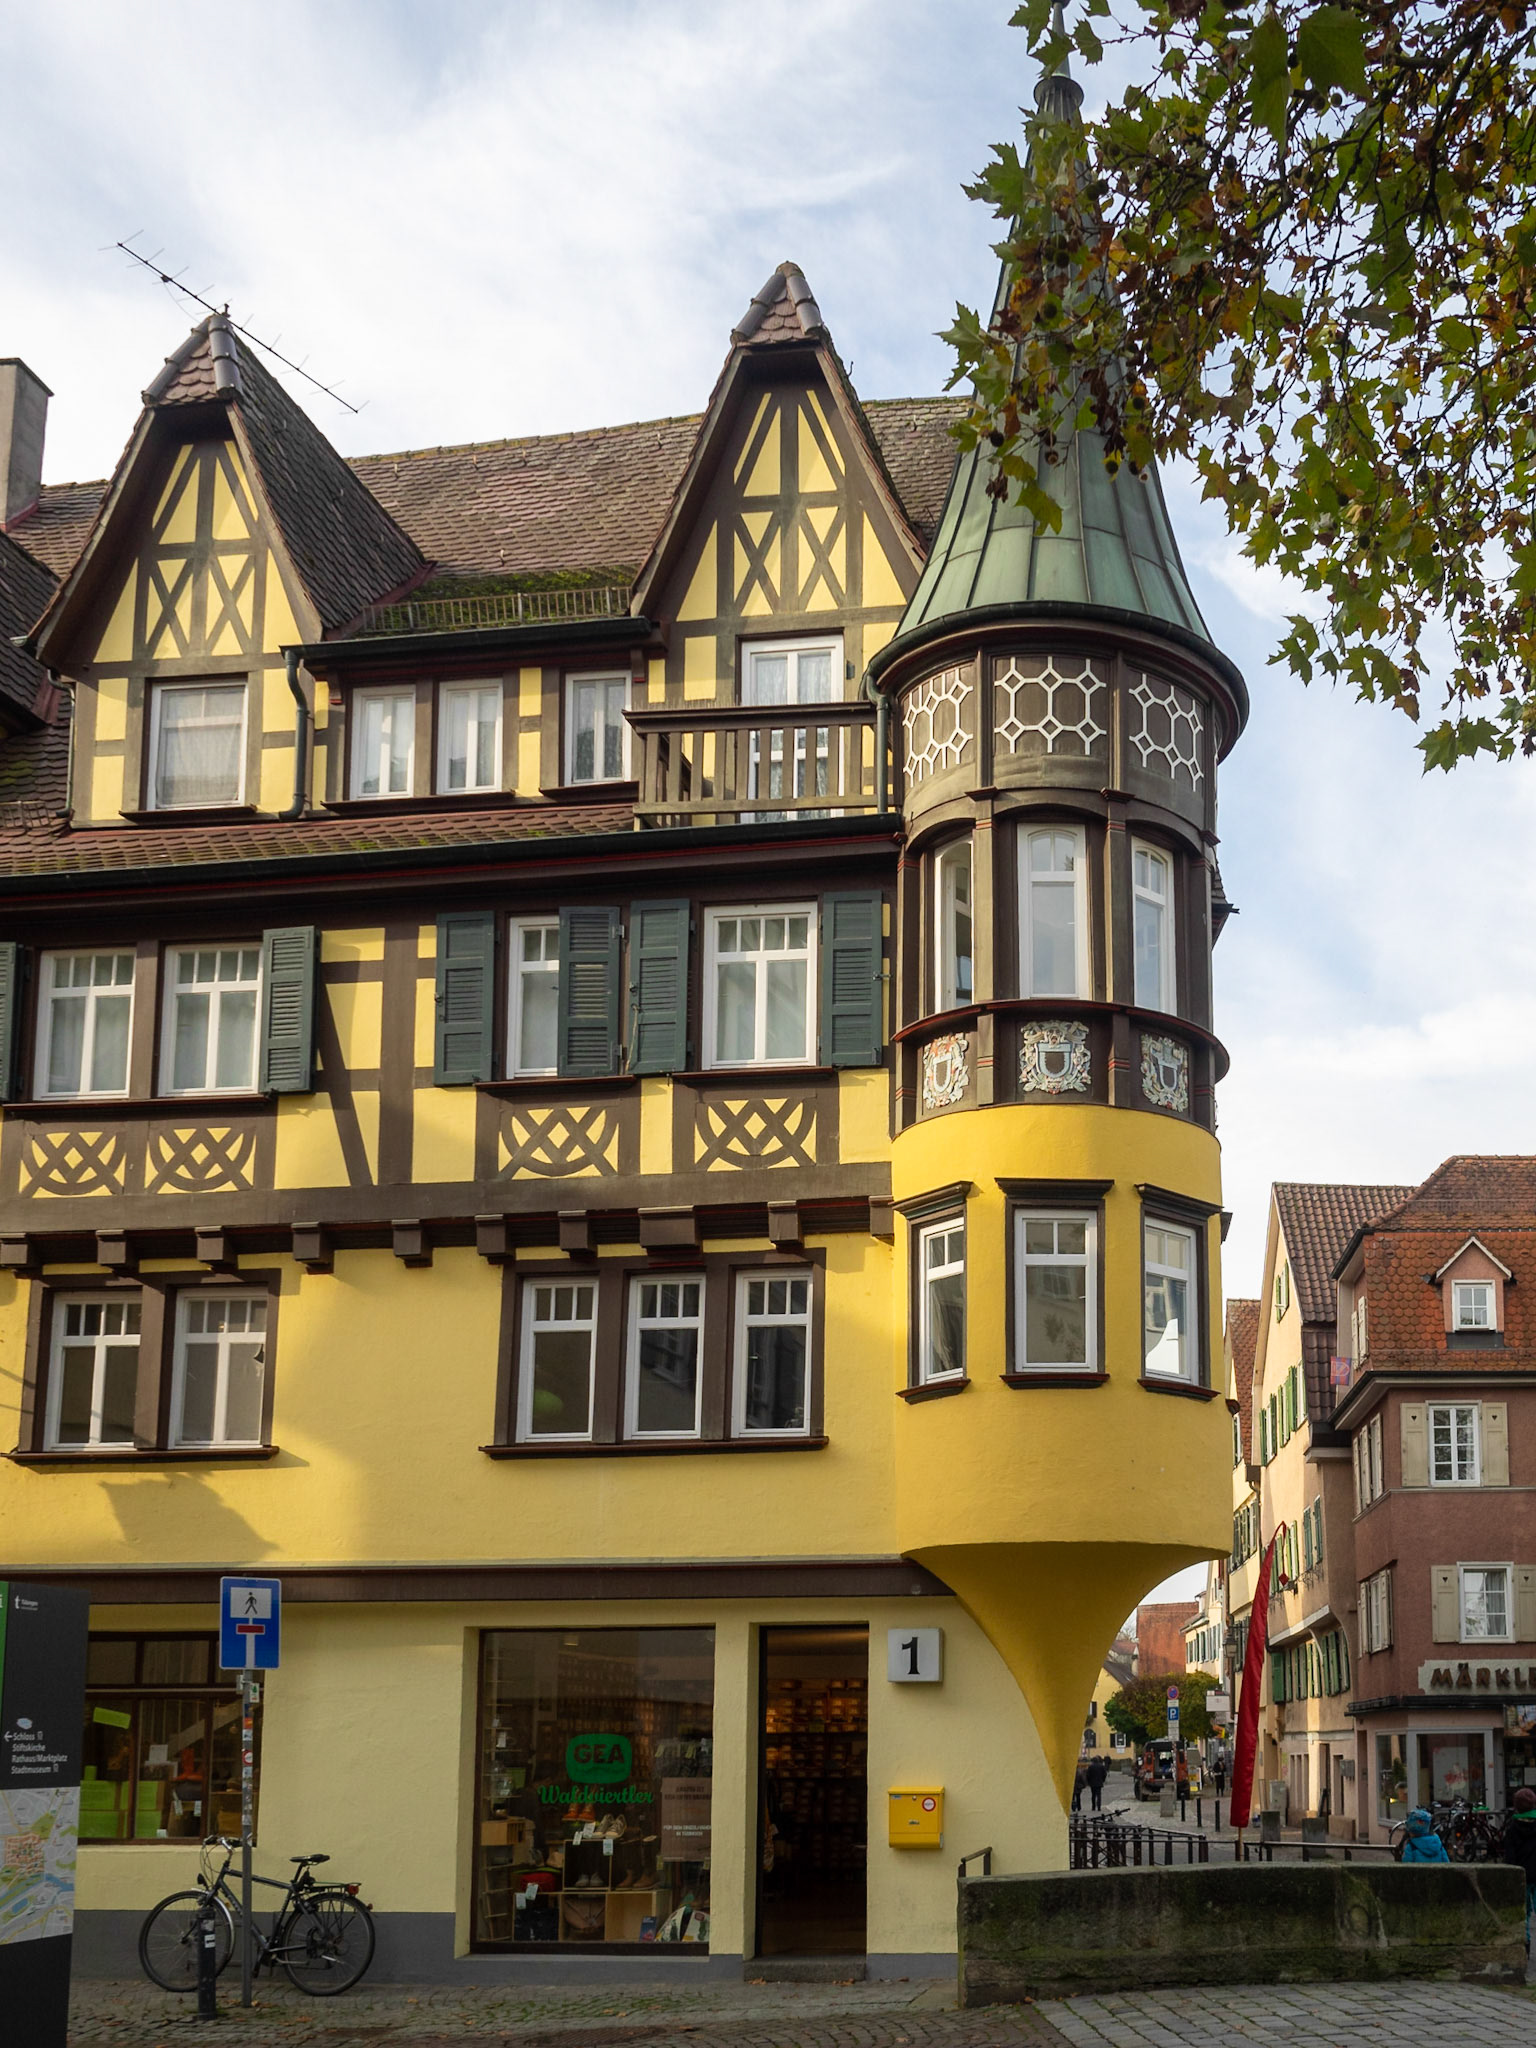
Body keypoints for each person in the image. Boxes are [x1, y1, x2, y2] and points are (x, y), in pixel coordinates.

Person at [1498, 1787, 1536, 1951]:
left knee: (1524, 1913)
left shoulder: (1512, 1829)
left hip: (1522, 1877)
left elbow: (1510, 1856)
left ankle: (1525, 1944)